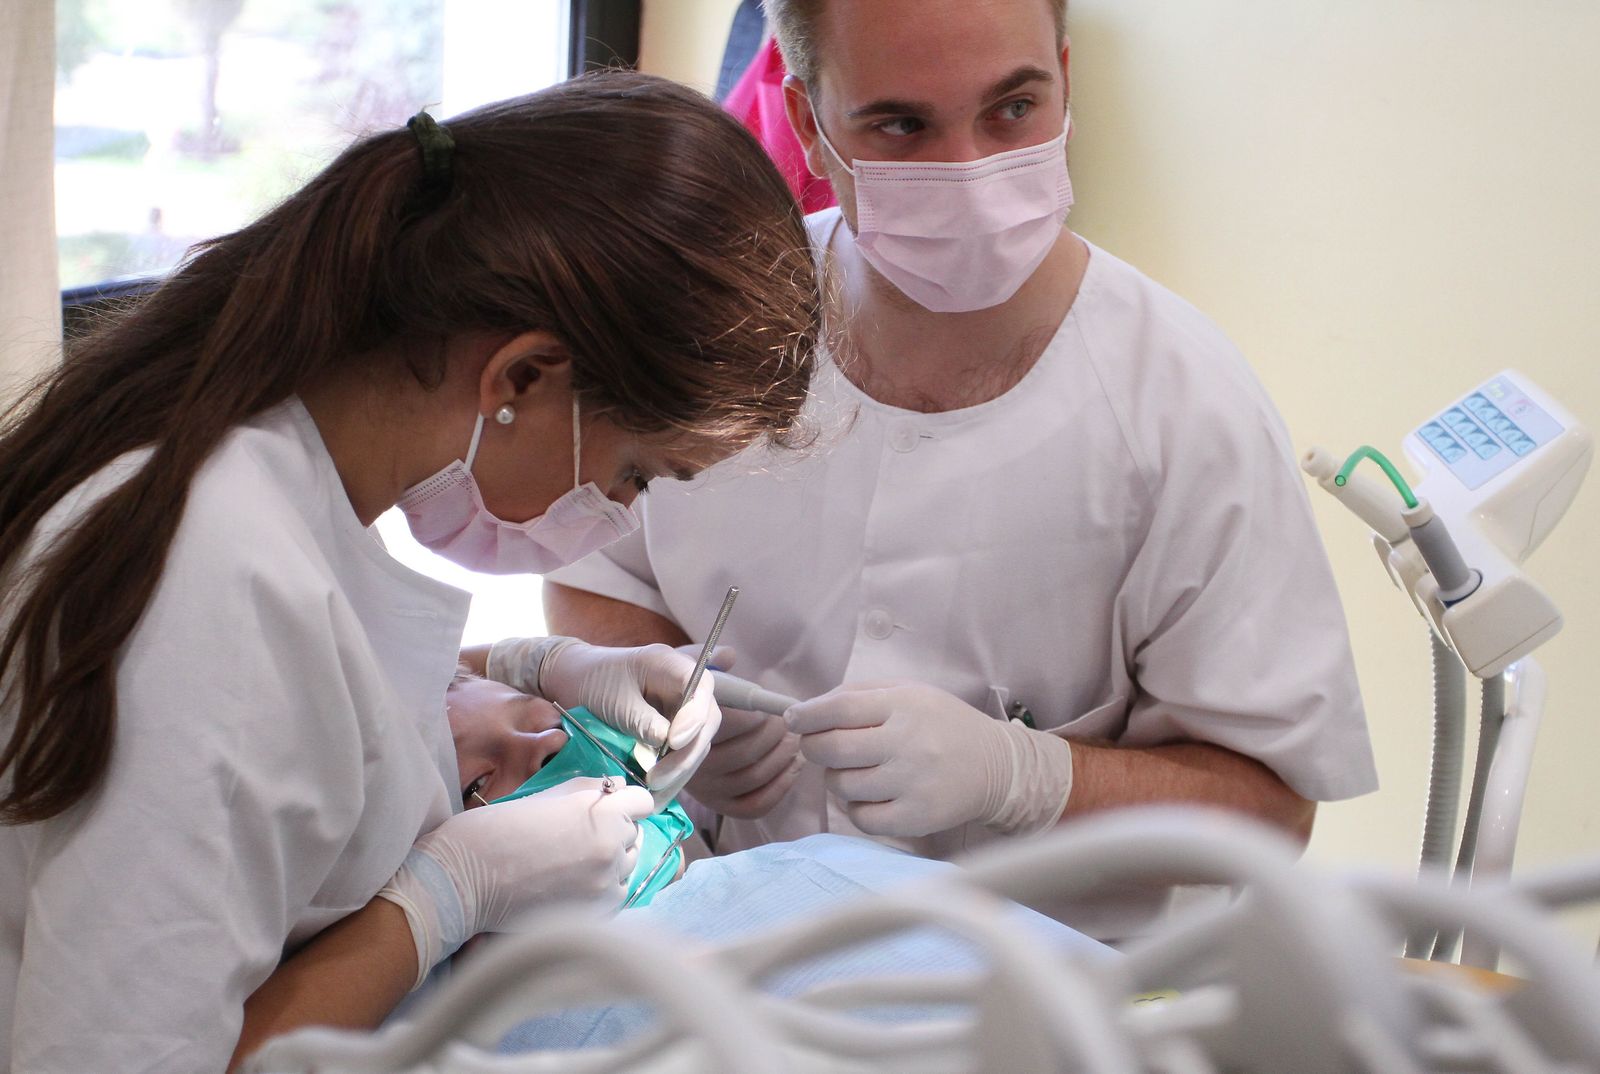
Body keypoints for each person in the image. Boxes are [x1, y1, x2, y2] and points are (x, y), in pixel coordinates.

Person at [0, 71, 820, 1073]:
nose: (620, 510)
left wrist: (537, 666)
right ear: (521, 377)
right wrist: (440, 900)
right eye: (635, 473)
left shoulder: (259, 468)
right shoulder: (210, 583)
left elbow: (296, 710)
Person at [543, 0, 1378, 939]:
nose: (971, 176)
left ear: (1066, 80)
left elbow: (1270, 808)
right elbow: (592, 573)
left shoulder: (1186, 406)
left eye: (1013, 109)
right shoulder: (702, 324)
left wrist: (1032, 779)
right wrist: (659, 714)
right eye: (902, 126)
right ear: (809, 123)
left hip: (1050, 983)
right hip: (715, 944)